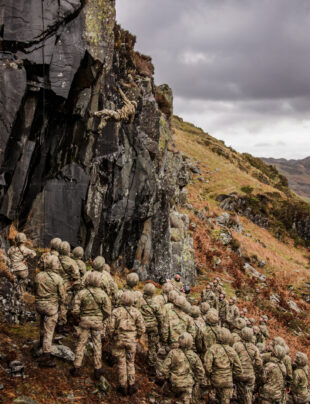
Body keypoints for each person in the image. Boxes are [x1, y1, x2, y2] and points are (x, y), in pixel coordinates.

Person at [70, 271, 111, 379]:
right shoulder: (103, 294)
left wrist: (80, 317)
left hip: (84, 322)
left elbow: (74, 310)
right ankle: (97, 368)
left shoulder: (82, 293)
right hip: (97, 322)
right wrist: (101, 318)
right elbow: (108, 311)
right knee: (97, 345)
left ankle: (76, 367)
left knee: (81, 343)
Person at [107, 291, 145, 396]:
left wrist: (112, 337)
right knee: (130, 362)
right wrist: (137, 337)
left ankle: (122, 386)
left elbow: (110, 328)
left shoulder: (116, 311)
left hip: (119, 340)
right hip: (131, 341)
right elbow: (142, 328)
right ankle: (131, 385)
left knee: (121, 362)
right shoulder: (137, 312)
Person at [157, 332, 206, 404]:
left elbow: (164, 369)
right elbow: (201, 373)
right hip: (187, 386)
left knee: (166, 397)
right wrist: (194, 380)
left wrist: (167, 377)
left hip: (173, 384)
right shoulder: (194, 356)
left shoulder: (173, 353)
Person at [35, 256, 66, 368]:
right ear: (53, 265)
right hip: (51, 308)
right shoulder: (58, 279)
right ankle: (46, 356)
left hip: (39, 305)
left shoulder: (38, 276)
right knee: (49, 331)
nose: (58, 264)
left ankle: (40, 343)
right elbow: (63, 297)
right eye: (57, 262)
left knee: (42, 326)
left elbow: (35, 289)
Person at [204, 327, 243, 404]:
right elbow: (239, 368)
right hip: (228, 380)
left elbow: (207, 366)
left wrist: (210, 374)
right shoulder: (232, 350)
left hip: (216, 379)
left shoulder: (212, 349)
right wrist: (230, 375)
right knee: (225, 400)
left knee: (213, 399)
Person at [233, 327, 263, 404]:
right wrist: (254, 370)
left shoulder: (236, 345)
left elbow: (231, 358)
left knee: (240, 392)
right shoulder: (255, 348)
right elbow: (259, 363)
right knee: (248, 392)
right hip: (250, 375)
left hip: (239, 373)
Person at [140, 283, 164, 375]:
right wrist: (160, 329)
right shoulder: (155, 304)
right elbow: (160, 317)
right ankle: (151, 367)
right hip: (152, 327)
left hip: (141, 325)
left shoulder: (139, 300)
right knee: (152, 346)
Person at [57, 241, 80, 329]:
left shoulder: (54, 259)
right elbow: (76, 276)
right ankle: (61, 324)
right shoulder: (72, 262)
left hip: (54, 284)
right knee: (63, 305)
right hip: (65, 287)